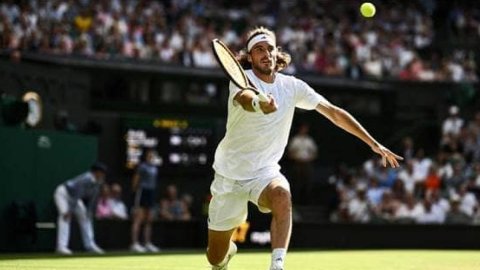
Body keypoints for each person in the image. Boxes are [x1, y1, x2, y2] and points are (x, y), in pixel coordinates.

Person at [206, 26, 403, 270]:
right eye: (259, 50)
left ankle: (277, 265)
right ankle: (225, 257)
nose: (266, 54)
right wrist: (259, 102)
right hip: (229, 175)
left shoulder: (293, 86)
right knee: (214, 257)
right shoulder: (241, 81)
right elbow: (246, 99)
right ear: (250, 57)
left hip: (264, 173)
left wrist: (374, 144)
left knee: (282, 195)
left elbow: (333, 112)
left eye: (270, 49)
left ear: (277, 54)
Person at [53, 162, 107, 255]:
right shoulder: (85, 179)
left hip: (74, 197)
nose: (103, 175)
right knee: (65, 217)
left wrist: (89, 211)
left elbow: (93, 197)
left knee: (86, 217)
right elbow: (77, 195)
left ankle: (90, 245)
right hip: (63, 194)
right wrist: (69, 211)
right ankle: (61, 247)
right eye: (101, 172)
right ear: (96, 172)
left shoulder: (99, 181)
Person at [130, 149, 160, 253]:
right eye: (150, 155)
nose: (152, 157)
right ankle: (134, 244)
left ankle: (147, 243)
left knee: (149, 220)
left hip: (151, 193)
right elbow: (135, 180)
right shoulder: (142, 167)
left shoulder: (155, 168)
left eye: (153, 155)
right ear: (146, 156)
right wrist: (135, 193)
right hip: (142, 192)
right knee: (138, 219)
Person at [287, 123, 317, 205]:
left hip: (307, 163)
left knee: (307, 182)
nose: (304, 130)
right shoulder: (295, 140)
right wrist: (296, 158)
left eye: (305, 129)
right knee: (297, 182)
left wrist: (310, 158)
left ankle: (307, 200)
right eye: (302, 128)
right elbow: (290, 152)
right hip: (297, 163)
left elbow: (314, 152)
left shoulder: (309, 140)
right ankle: (296, 200)